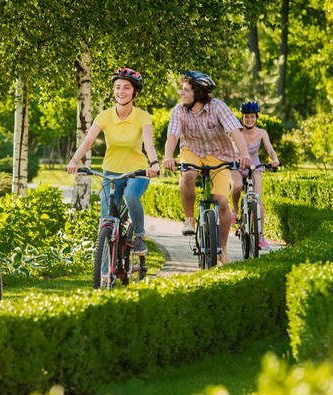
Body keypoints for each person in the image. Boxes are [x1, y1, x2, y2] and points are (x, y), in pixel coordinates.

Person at [66, 67, 160, 254]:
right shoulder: (105, 116)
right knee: (106, 219)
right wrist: (74, 160)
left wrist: (154, 163)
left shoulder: (142, 116)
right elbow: (88, 140)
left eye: (126, 87)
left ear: (135, 92)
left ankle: (140, 236)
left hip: (137, 172)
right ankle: (103, 275)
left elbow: (148, 143)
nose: (121, 92)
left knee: (131, 196)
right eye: (117, 87)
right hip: (110, 172)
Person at [162, 70, 251, 266]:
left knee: (222, 202)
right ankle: (189, 219)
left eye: (186, 90)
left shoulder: (218, 107)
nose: (181, 93)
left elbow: (235, 131)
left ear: (199, 93)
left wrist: (244, 154)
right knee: (188, 174)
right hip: (191, 151)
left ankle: (223, 249)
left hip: (219, 156)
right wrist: (168, 156)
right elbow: (173, 136)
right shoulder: (178, 111)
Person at [230, 101, 280, 249]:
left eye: (252, 117)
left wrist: (274, 159)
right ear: (242, 118)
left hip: (255, 166)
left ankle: (260, 235)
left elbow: (270, 149)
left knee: (257, 200)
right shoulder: (236, 132)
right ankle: (235, 209)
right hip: (237, 166)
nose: (249, 120)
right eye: (246, 117)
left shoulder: (262, 133)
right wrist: (233, 159)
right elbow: (226, 147)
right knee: (238, 185)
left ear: (256, 117)